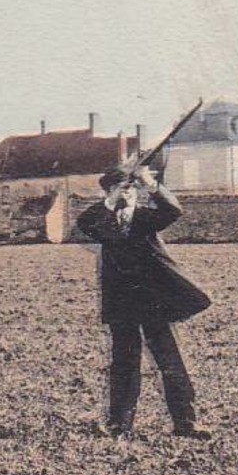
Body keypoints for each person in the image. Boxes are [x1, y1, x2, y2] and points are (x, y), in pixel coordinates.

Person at [75, 164, 213, 439]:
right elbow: (83, 224)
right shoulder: (102, 222)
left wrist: (149, 182)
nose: (129, 194)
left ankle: (186, 422)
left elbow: (173, 210)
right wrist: (113, 198)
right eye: (121, 189)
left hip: (153, 300)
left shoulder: (147, 218)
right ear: (109, 193)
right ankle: (119, 425)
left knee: (171, 360)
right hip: (121, 302)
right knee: (124, 362)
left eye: (132, 189)